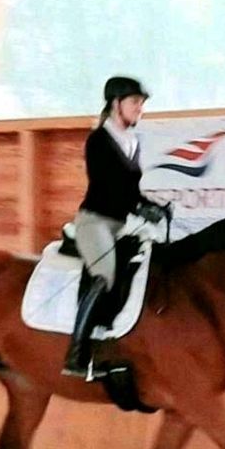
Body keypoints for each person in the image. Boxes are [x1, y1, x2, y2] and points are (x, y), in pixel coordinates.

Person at [62, 76, 167, 378]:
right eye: (135, 102)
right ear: (116, 104)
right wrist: (139, 207)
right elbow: (107, 186)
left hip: (120, 224)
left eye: (142, 104)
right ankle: (77, 353)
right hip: (95, 222)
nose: (140, 109)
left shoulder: (132, 142)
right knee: (105, 273)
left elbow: (129, 189)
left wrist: (152, 206)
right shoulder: (98, 140)